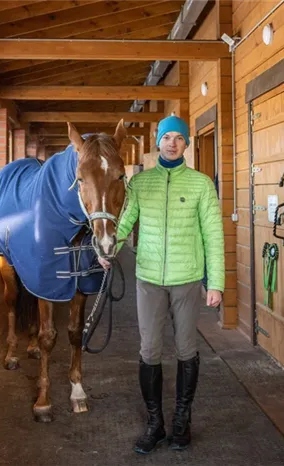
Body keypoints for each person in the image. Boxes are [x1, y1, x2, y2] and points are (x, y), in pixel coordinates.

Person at [98, 115, 225, 453]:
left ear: (186, 144)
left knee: (187, 349)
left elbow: (213, 235)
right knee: (149, 350)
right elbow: (124, 223)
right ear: (158, 142)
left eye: (178, 138)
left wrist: (216, 283)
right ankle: (155, 423)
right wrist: (109, 248)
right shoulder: (139, 185)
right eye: (167, 137)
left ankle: (182, 420)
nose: (172, 143)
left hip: (187, 280)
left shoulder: (201, 184)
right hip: (149, 280)